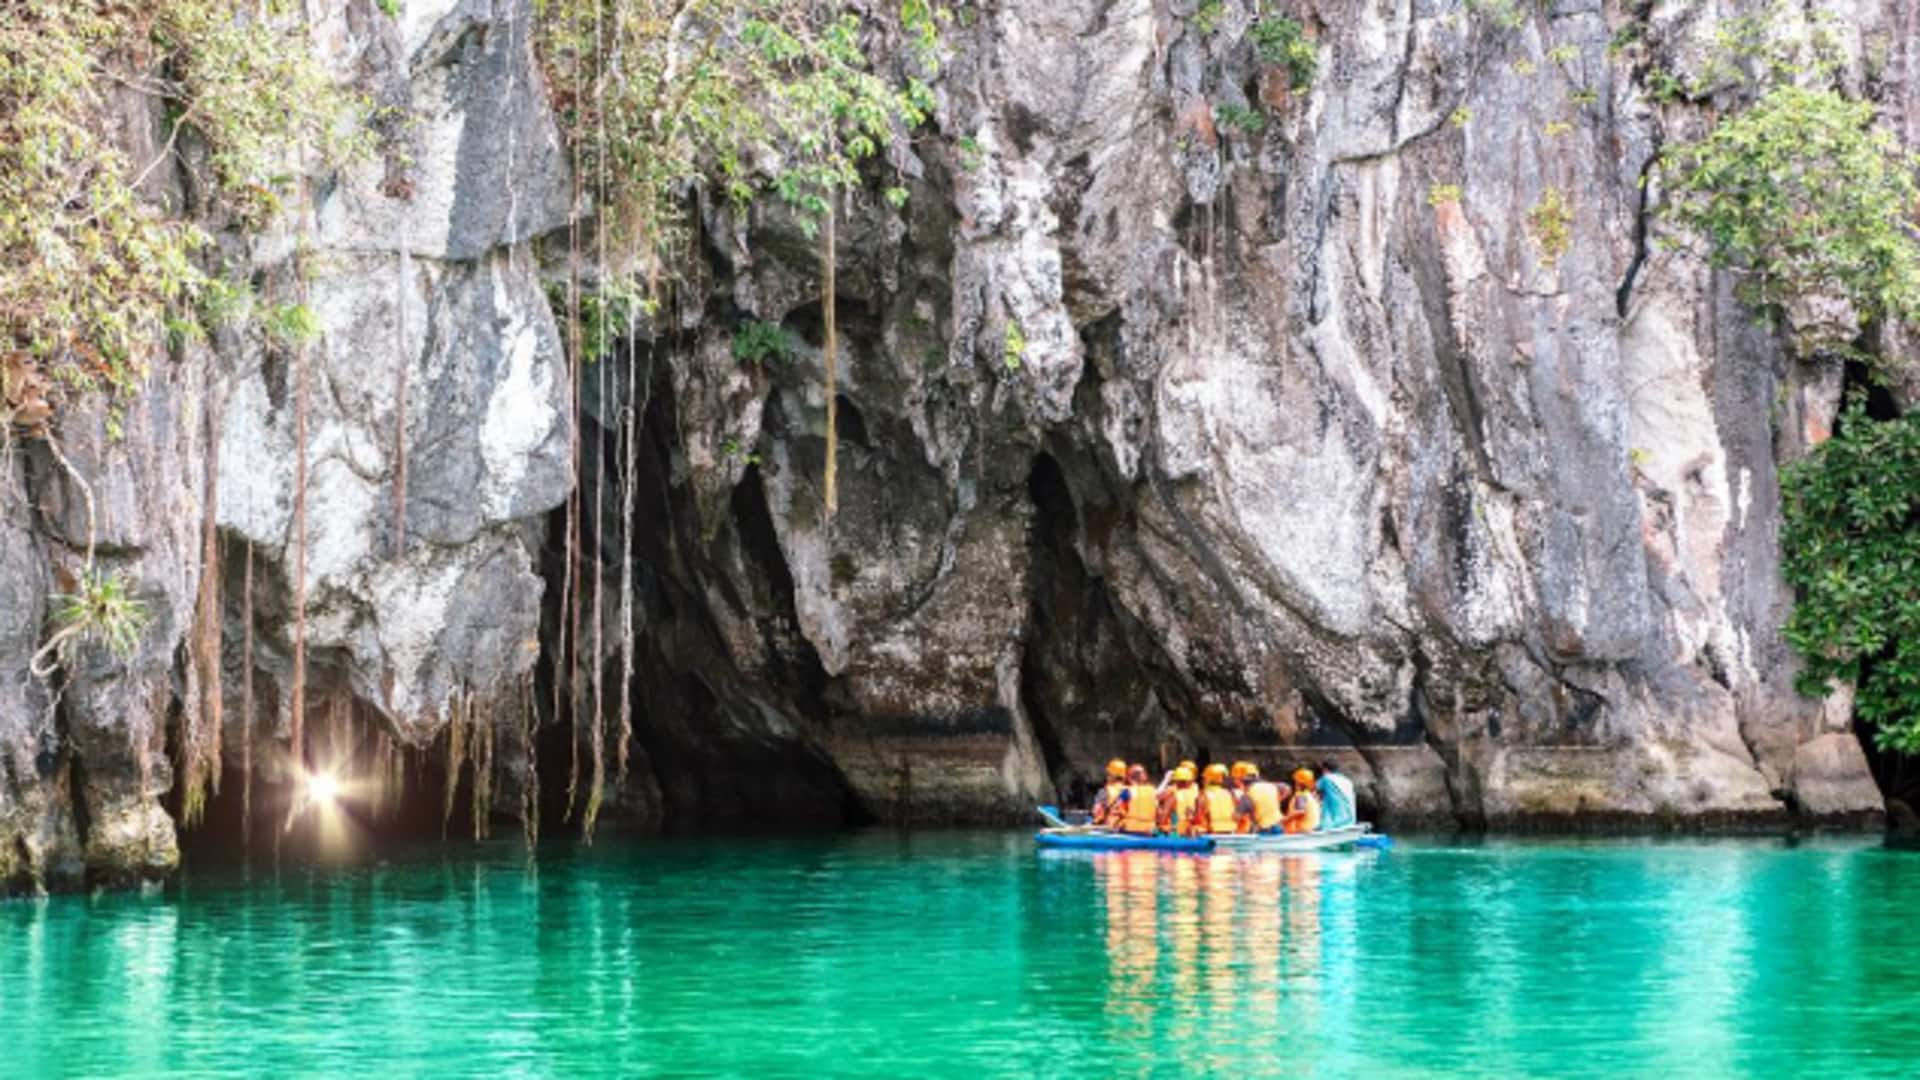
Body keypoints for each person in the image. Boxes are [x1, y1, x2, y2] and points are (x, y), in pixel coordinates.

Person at [1112, 764, 1161, 835]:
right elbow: (1159, 812)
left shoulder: (1127, 791)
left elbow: (1116, 808)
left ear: (1130, 778)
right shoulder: (1153, 792)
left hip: (1130, 830)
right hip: (1149, 831)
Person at [1243, 765, 1286, 835]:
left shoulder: (1249, 791)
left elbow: (1240, 814)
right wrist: (1278, 800)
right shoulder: (1270, 786)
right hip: (1276, 824)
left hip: (1264, 828)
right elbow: (1286, 788)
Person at [1196, 764, 1239, 834]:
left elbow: (1199, 818)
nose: (1203, 780)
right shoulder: (1231, 794)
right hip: (1232, 830)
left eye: (1204, 778)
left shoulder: (1203, 796)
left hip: (1213, 832)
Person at [1316, 759, 1357, 829]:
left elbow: (1313, 790)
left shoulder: (1326, 778)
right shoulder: (1347, 780)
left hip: (1334, 823)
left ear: (1325, 769)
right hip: (1351, 820)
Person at [1162, 765, 1199, 835]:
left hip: (1178, 832)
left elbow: (1163, 819)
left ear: (1177, 781)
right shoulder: (1198, 795)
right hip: (1193, 831)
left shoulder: (1173, 796)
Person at [1090, 758, 1127, 826]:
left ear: (1113, 775)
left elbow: (1095, 811)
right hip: (1124, 827)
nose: (1107, 776)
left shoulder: (1104, 791)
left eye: (1109, 774)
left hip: (1108, 827)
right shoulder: (1130, 791)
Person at [1284, 768, 1322, 834]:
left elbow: (1300, 811)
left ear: (1298, 782)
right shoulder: (1310, 795)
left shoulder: (1301, 795)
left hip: (1304, 831)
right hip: (1314, 828)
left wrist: (1282, 820)